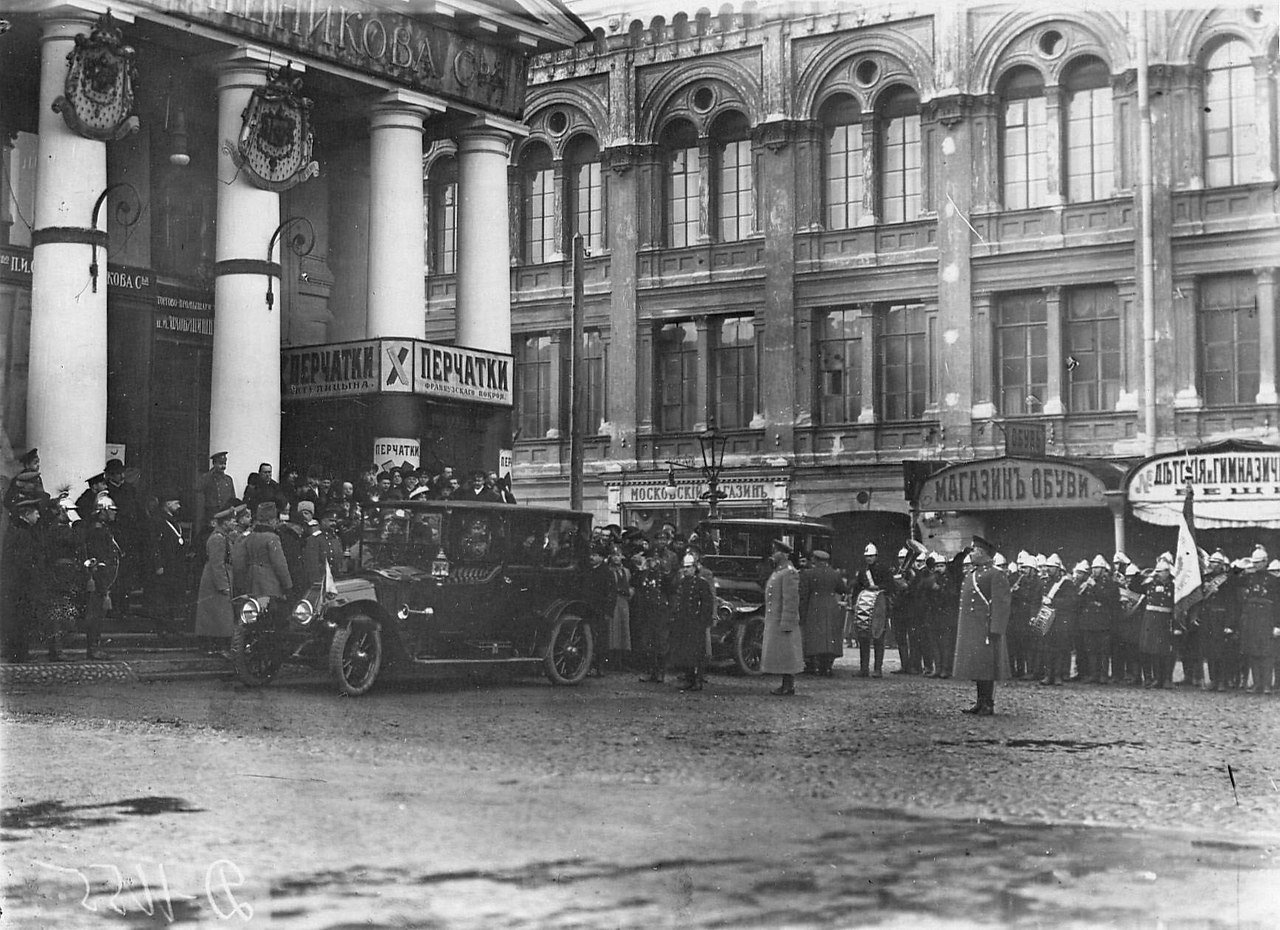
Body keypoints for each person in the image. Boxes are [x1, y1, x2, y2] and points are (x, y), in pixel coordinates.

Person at [952, 536, 1012, 716]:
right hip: (973, 629)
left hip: (986, 629)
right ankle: (980, 701)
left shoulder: (995, 574)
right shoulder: (972, 574)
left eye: (975, 551)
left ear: (984, 554)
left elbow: (1001, 604)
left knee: (988, 667)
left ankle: (989, 703)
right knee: (978, 666)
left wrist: (996, 629)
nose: (972, 553)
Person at [1, 491, 45, 661]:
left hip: (17, 585)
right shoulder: (23, 532)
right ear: (26, 514)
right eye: (36, 513)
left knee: (19, 618)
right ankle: (19, 653)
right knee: (20, 619)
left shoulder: (18, 530)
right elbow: (24, 562)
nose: (39, 515)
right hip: (21, 585)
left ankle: (19, 652)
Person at [81, 494, 122, 660]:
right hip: (99, 577)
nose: (114, 513)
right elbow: (98, 558)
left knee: (99, 613)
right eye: (111, 510)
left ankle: (95, 646)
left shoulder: (103, 528)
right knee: (95, 614)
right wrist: (103, 584)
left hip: (104, 577)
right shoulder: (97, 531)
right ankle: (93, 647)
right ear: (103, 511)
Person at [667, 551, 715, 691]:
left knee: (697, 652)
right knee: (685, 651)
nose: (686, 570)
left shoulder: (701, 584)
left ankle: (698, 679)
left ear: (695, 568)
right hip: (683, 621)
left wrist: (703, 621)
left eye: (689, 567)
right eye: (685, 567)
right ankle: (688, 678)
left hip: (696, 622)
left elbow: (707, 604)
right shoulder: (682, 583)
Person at [761, 539, 803, 695]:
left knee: (787, 654)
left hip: (783, 620)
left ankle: (788, 685)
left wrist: (787, 622)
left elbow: (790, 600)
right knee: (783, 654)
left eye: (776, 552)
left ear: (784, 554)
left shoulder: (789, 572)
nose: (774, 555)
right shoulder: (779, 571)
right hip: (776, 619)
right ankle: (786, 684)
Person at [848, 542, 896, 678]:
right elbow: (857, 588)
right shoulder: (863, 571)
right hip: (865, 606)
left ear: (876, 556)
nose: (869, 558)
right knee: (863, 638)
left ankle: (877, 669)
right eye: (867, 556)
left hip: (880, 607)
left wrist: (879, 587)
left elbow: (891, 586)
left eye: (871, 556)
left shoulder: (884, 569)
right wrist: (854, 603)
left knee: (878, 638)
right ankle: (864, 669)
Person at [195, 506, 237, 656]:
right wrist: (223, 585)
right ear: (224, 523)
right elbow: (217, 563)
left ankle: (216, 646)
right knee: (217, 615)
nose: (234, 523)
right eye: (232, 520)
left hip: (218, 578)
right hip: (214, 581)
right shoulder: (217, 539)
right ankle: (215, 646)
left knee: (218, 615)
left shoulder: (222, 537)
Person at [230, 502, 292, 602]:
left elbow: (239, 562)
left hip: (251, 583)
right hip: (270, 585)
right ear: (271, 520)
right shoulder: (272, 538)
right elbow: (280, 565)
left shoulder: (248, 536)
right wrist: (288, 586)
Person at [632, 541, 673, 683]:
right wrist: (640, 569)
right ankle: (649, 670)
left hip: (661, 611)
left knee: (660, 642)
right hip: (646, 610)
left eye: (656, 560)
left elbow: (671, 591)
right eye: (650, 559)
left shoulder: (664, 577)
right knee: (646, 641)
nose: (653, 563)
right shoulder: (643, 574)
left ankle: (660, 671)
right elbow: (637, 585)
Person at [801, 549, 846, 677]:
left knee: (815, 636)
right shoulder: (835, 574)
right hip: (831, 605)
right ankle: (827, 667)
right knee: (830, 636)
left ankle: (815, 667)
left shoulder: (808, 573)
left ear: (815, 559)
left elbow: (804, 593)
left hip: (814, 606)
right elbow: (842, 589)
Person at [1238, 546, 1275, 694]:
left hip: (1267, 619)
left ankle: (1266, 684)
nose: (1256, 565)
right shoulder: (1249, 577)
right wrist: (1239, 568)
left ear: (1266, 562)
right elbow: (1232, 580)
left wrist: (1277, 624)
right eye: (1255, 562)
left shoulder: (1274, 580)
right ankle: (1257, 683)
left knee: (1266, 653)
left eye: (1259, 562)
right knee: (1253, 653)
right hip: (1252, 619)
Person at [1037, 554, 1078, 686]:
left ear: (1058, 569)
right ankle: (1048, 675)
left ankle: (1058, 675)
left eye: (1051, 567)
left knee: (1060, 649)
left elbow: (1071, 601)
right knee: (1047, 648)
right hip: (1048, 619)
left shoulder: (1067, 583)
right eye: (1047, 567)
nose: (1048, 570)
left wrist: (1053, 601)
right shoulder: (1046, 583)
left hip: (1061, 620)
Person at [1138, 556, 1177, 688]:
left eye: (1161, 572)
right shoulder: (1150, 583)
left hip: (1165, 619)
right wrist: (1149, 576)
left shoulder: (1174, 585)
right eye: (1158, 571)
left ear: (1168, 572)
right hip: (1150, 619)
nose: (1159, 574)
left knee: (1164, 651)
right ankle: (1152, 678)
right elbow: (1136, 586)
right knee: (1149, 649)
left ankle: (1165, 678)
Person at [194, 452, 236, 536]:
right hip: (211, 515)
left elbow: (232, 498)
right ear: (214, 464)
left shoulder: (228, 480)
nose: (223, 466)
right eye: (220, 463)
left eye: (224, 463)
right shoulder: (207, 478)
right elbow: (198, 490)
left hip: (225, 515)